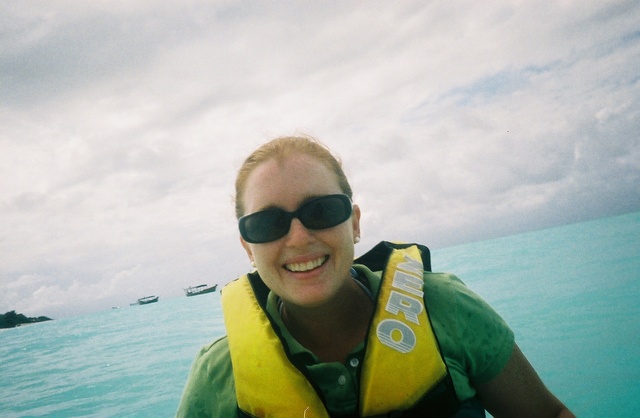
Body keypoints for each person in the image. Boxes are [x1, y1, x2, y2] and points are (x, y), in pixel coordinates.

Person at [177, 135, 575, 417]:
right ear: (248, 246)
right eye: (267, 224)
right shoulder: (219, 375)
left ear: (354, 223)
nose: (298, 237)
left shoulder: (445, 311)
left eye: (321, 211)